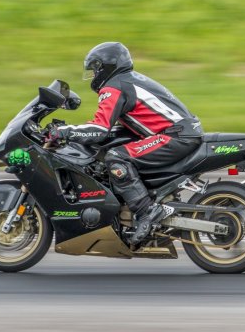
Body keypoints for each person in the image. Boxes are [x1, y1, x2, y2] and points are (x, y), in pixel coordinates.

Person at [46, 42, 203, 245]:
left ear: (105, 67)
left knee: (116, 157)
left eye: (95, 70)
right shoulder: (128, 80)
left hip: (175, 137)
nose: (93, 76)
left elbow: (100, 128)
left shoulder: (114, 87)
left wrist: (64, 131)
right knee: (116, 148)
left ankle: (147, 211)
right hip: (180, 133)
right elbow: (115, 126)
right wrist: (77, 130)